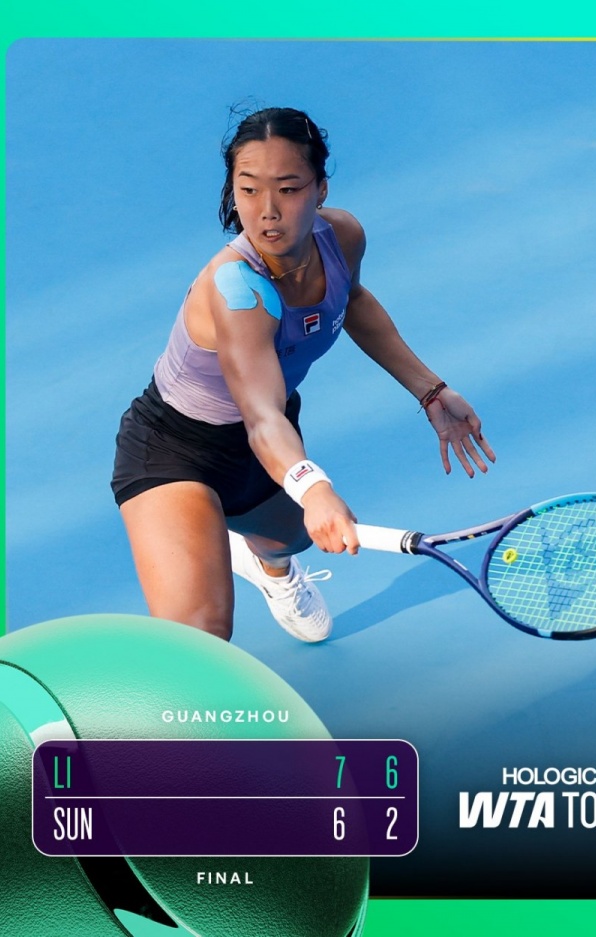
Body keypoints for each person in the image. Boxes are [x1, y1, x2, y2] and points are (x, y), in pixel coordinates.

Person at [111, 106, 495, 644]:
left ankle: (271, 570)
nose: (266, 212)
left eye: (288, 189)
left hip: (264, 444)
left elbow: (352, 300)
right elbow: (261, 414)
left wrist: (429, 389)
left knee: (290, 541)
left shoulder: (342, 237)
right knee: (199, 634)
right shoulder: (237, 288)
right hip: (176, 448)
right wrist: (313, 488)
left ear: (320, 190)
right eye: (248, 190)